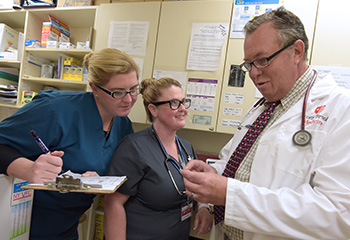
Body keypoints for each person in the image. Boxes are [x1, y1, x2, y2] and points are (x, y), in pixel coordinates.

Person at [181, 7, 350, 240]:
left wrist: (230, 194)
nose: (253, 73)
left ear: (297, 51)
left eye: (262, 60)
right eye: (249, 64)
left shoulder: (341, 109)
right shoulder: (261, 109)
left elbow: (338, 215)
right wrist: (213, 173)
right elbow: (234, 165)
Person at [0, 48, 140, 240]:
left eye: (134, 89)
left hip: (67, 225)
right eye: (118, 92)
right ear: (95, 88)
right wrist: (29, 169)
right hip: (23, 224)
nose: (129, 99)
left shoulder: (123, 125)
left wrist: (97, 179)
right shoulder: (56, 109)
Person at [104, 77, 213, 240]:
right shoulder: (134, 148)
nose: (183, 108)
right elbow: (113, 204)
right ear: (153, 110)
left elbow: (197, 186)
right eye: (174, 103)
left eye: (184, 102)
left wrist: (204, 207)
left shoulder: (186, 147)